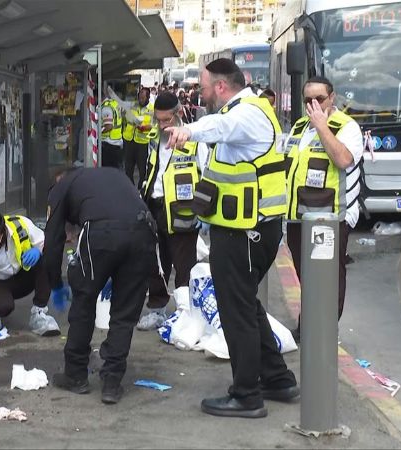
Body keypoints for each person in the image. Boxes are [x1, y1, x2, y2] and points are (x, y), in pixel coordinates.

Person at [165, 58, 298, 418]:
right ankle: (276, 378)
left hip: (245, 232)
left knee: (236, 311)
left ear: (221, 86)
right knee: (246, 305)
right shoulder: (247, 111)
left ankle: (246, 395)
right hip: (244, 230)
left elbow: (220, 125)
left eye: (204, 87)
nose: (201, 93)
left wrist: (188, 131)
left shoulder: (245, 113)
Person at [44, 167, 157, 405]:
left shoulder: (59, 189)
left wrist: (55, 284)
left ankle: (75, 375)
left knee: (84, 303)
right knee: (124, 314)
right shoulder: (111, 175)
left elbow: (53, 241)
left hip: (101, 233)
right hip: (143, 233)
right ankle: (112, 383)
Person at [283, 76, 364, 342]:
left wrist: (322, 127)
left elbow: (342, 159)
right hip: (298, 217)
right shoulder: (297, 127)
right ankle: (309, 325)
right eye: (308, 100)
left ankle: (323, 331)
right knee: (306, 277)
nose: (313, 105)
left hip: (330, 218)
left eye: (319, 99)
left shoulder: (346, 127)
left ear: (332, 98)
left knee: (328, 279)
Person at [137, 92, 209, 330]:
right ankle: (157, 309)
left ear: (178, 115)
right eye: (158, 120)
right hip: (155, 208)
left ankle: (185, 312)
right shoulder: (154, 139)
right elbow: (150, 172)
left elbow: (207, 175)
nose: (161, 125)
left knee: (183, 264)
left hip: (182, 211)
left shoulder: (194, 140)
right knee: (156, 263)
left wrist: (203, 212)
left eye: (166, 120)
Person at [0, 211, 60, 337]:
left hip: (22, 276)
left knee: (47, 260)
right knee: (3, 306)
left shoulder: (20, 224)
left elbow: (44, 241)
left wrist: (37, 250)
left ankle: (39, 314)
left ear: (5, 232)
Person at [122, 86, 155, 185]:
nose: (140, 100)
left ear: (148, 98)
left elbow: (155, 125)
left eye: (143, 98)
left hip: (142, 143)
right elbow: (125, 118)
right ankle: (129, 186)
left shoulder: (152, 109)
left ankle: (141, 186)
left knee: (142, 168)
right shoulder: (133, 106)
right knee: (128, 167)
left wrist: (145, 127)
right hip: (129, 139)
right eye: (139, 97)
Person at [100, 92, 124, 168]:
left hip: (109, 145)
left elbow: (109, 126)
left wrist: (98, 132)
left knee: (108, 171)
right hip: (117, 143)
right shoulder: (114, 103)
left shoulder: (106, 107)